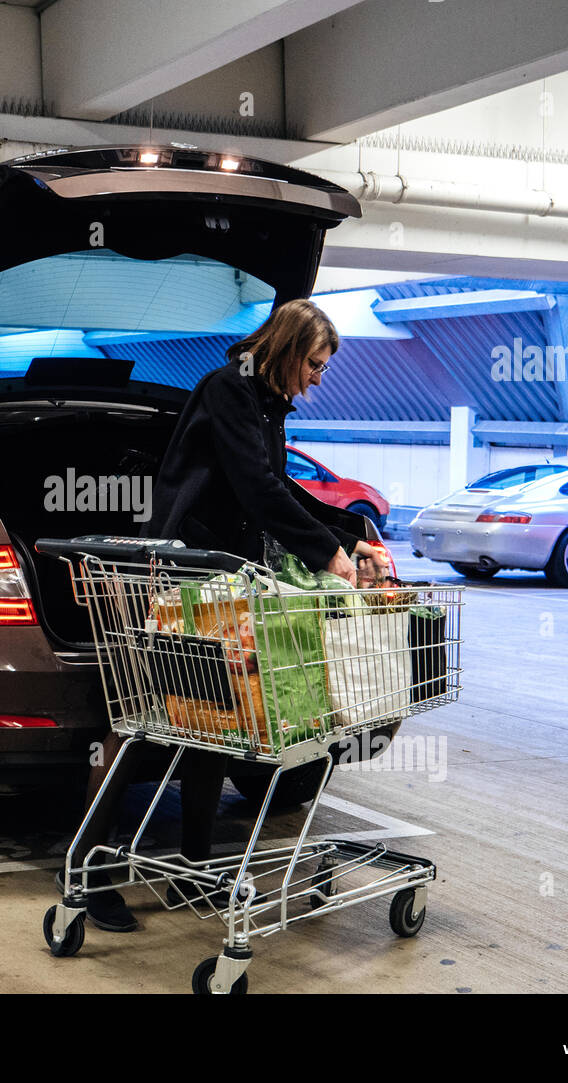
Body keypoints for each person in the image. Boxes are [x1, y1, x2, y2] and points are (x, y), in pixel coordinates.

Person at [65, 299, 389, 932]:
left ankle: (193, 862)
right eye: (316, 364)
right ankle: (89, 874)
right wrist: (326, 552)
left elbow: (281, 485)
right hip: (186, 576)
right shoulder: (227, 391)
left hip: (223, 581)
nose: (319, 378)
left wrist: (349, 531)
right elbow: (255, 488)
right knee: (146, 721)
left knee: (214, 717)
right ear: (290, 349)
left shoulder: (264, 402)